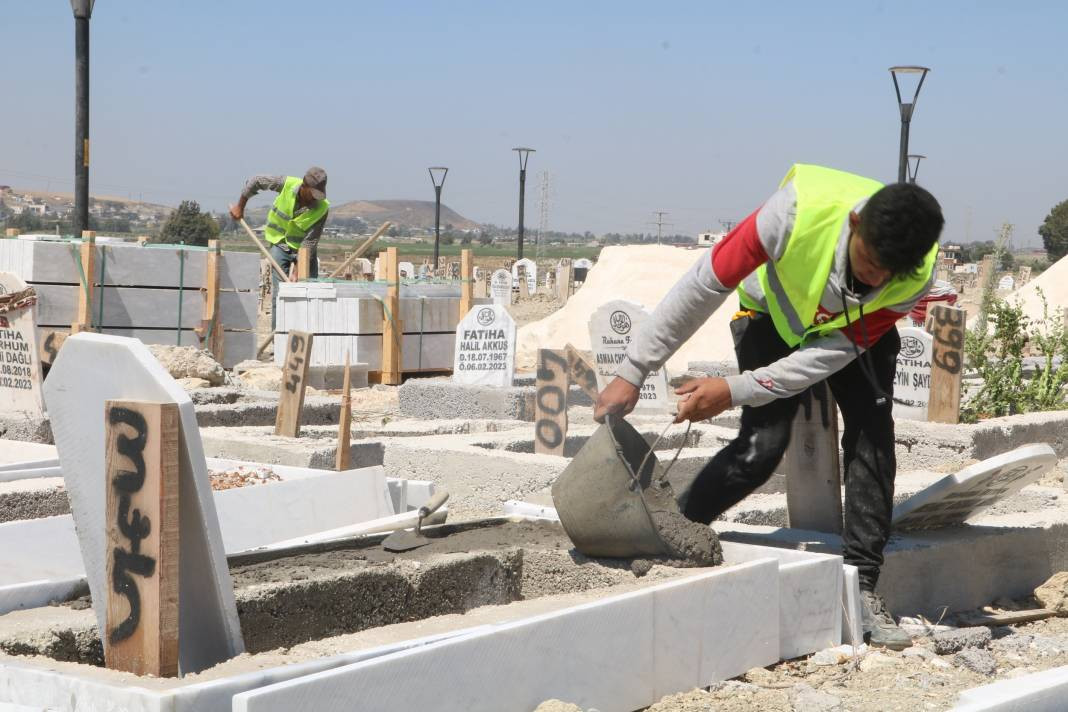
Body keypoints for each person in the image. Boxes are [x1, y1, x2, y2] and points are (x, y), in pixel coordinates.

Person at [593, 163, 944, 650]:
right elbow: (703, 284)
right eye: (869, 262)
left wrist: (733, 389)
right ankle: (673, 538)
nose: (875, 277)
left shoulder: (914, 276)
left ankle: (861, 585)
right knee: (762, 445)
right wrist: (633, 370)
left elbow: (825, 358)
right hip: (769, 316)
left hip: (847, 338)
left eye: (889, 272)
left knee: (871, 433)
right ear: (856, 225)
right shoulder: (795, 213)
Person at [229, 167, 330, 328]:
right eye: (312, 194)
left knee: (310, 291)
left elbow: (310, 242)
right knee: (280, 294)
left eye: (318, 195)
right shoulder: (287, 184)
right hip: (279, 242)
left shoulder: (322, 208)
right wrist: (240, 206)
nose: (314, 199)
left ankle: (309, 337)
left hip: (304, 249)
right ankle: (279, 340)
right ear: (304, 186)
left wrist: (298, 270)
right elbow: (256, 181)